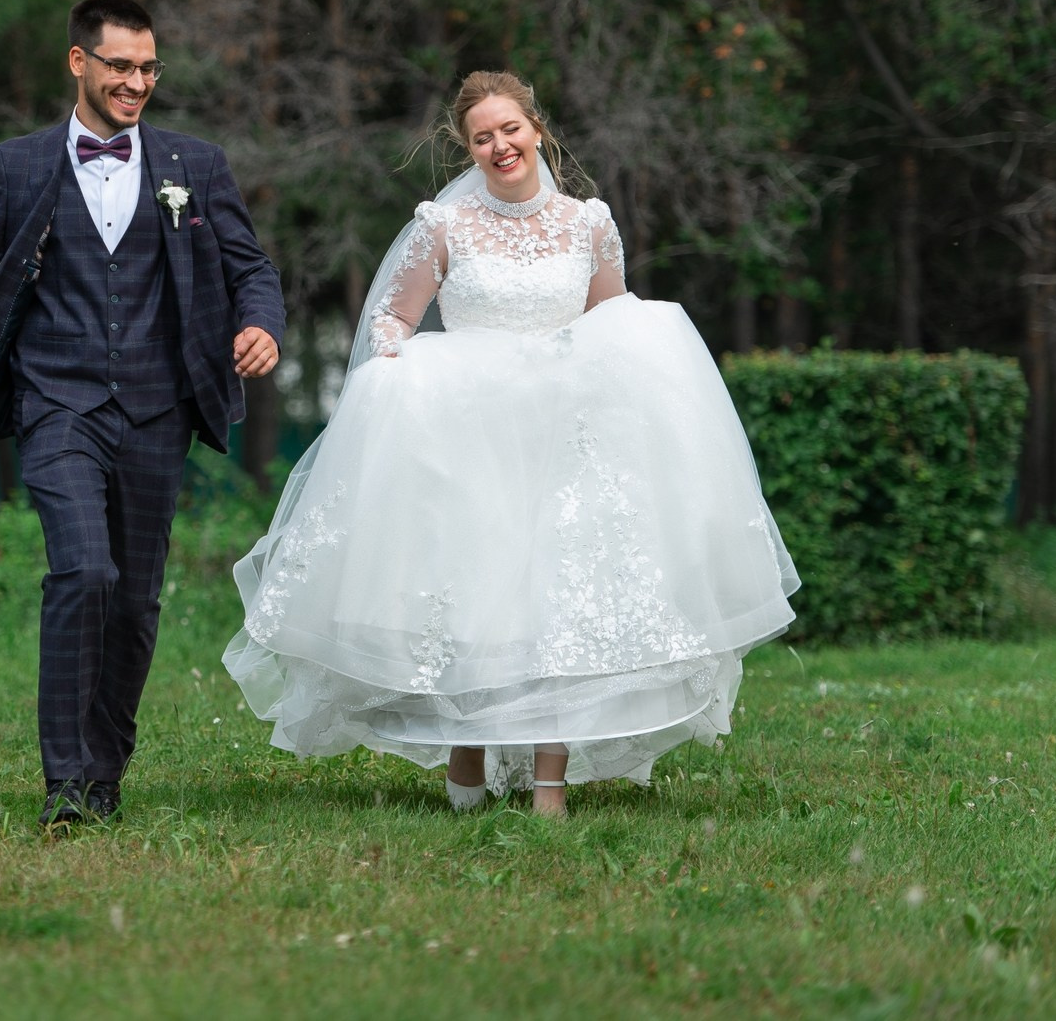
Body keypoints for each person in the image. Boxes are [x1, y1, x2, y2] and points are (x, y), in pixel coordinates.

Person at [223, 71, 798, 815]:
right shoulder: (444, 226)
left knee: (558, 600)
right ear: (467, 150)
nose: (499, 146)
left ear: (537, 130)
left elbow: (612, 322)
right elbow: (395, 317)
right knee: (476, 597)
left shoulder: (589, 224)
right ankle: (467, 753)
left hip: (563, 432)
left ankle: (549, 780)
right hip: (471, 434)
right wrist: (401, 366)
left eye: (510, 129)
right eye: (481, 138)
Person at [0, 0, 287, 829]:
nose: (137, 82)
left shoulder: (195, 164)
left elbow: (252, 267)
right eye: (121, 66)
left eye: (148, 68)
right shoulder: (19, 165)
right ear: (78, 62)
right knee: (83, 571)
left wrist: (260, 324)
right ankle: (64, 780)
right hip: (56, 400)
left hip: (159, 408)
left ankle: (105, 772)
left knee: (134, 601)